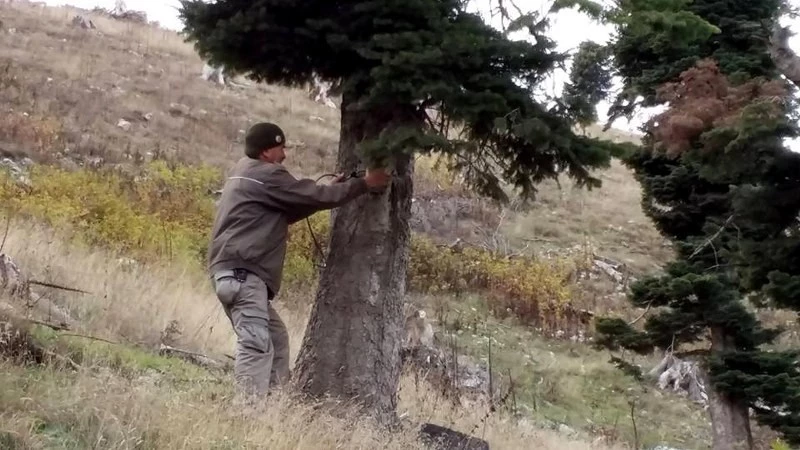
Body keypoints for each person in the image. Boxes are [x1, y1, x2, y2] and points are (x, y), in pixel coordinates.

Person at [207, 122, 391, 404]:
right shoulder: (267, 174)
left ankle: (275, 407)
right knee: (256, 345)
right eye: (282, 148)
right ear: (268, 151)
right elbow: (311, 195)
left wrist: (330, 191)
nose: (285, 155)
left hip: (230, 275)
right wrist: (364, 184)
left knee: (276, 338)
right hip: (245, 277)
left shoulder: (243, 174)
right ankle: (247, 415)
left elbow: (292, 206)